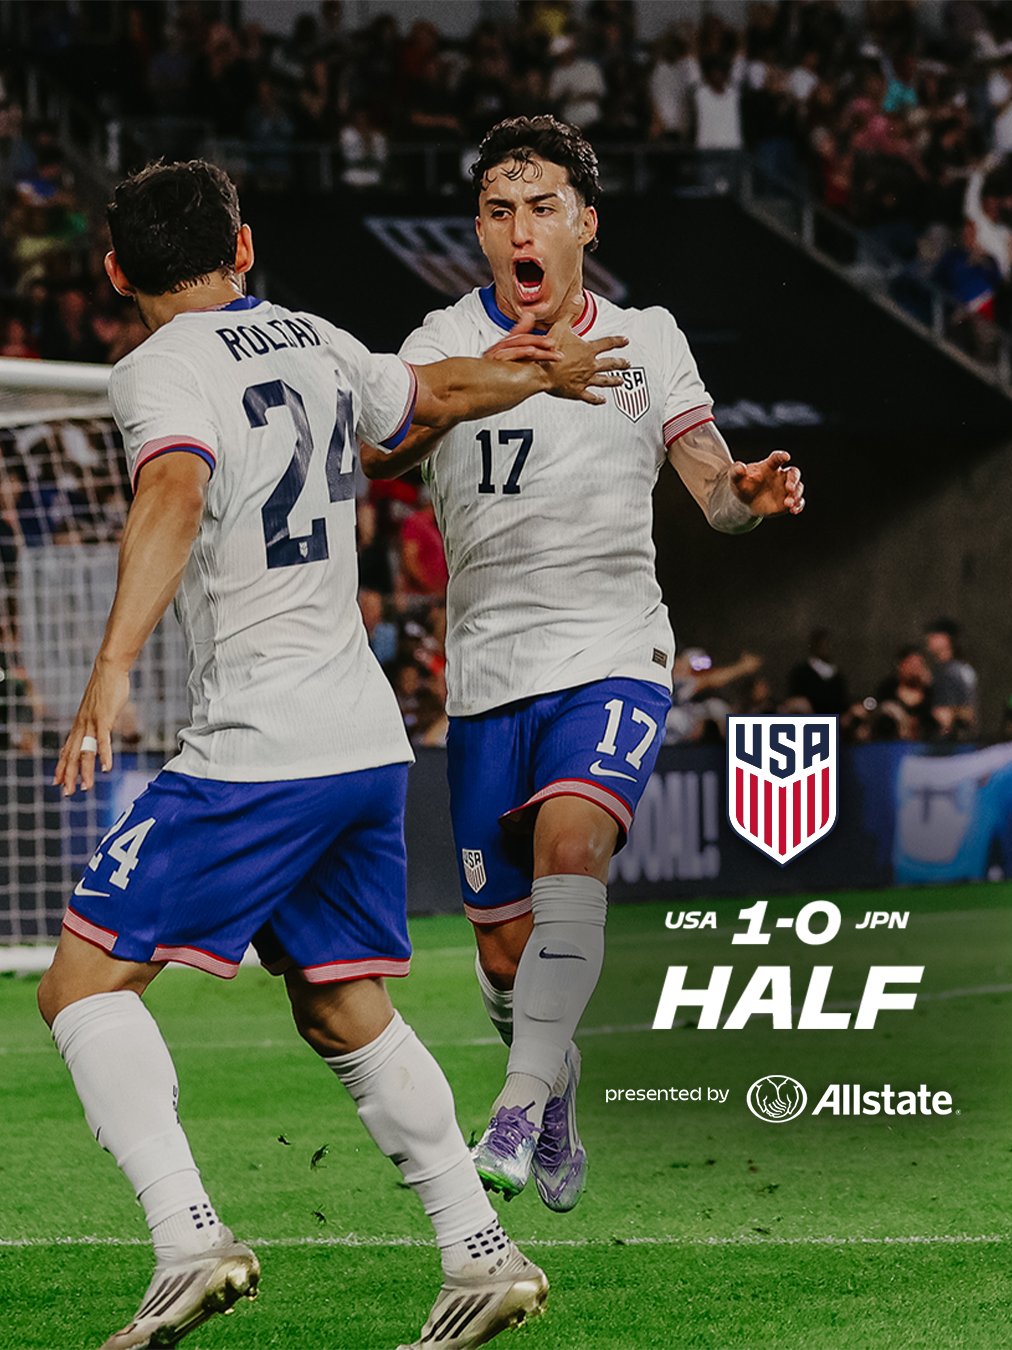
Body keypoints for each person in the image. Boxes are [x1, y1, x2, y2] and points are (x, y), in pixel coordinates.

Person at [35, 158, 628, 1350]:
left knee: (80, 985)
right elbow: (435, 390)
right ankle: (479, 1254)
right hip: (363, 740)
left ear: (114, 272)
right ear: (243, 248)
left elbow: (173, 490)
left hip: (257, 745)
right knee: (340, 1004)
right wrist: (540, 370)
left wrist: (109, 668)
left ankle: (187, 1239)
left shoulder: (157, 368)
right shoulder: (313, 338)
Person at [362, 116, 804, 1212]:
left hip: (614, 651)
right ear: (479, 231)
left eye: (543, 208)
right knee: (504, 961)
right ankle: (555, 1088)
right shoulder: (437, 343)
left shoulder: (649, 338)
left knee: (574, 846)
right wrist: (507, 377)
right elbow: (379, 454)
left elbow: (712, 491)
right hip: (486, 677)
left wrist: (746, 496)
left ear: (585, 224)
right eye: (500, 211)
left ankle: (515, 1109)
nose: (522, 229)